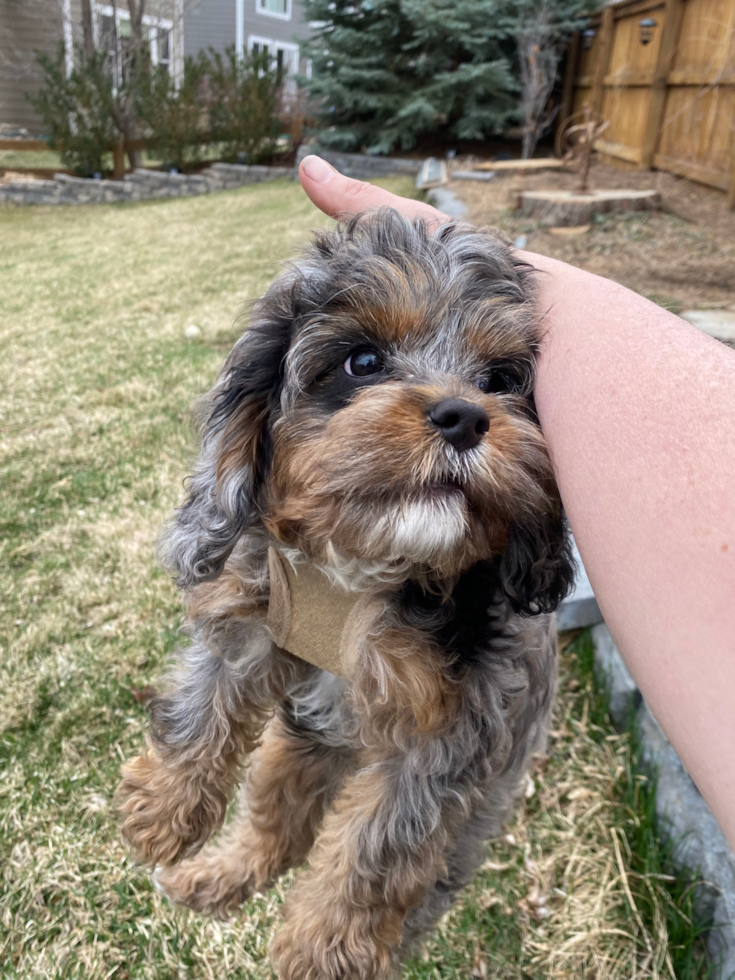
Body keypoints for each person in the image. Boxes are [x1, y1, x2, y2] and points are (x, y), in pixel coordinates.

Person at [298, 154, 735, 851]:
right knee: (298, 736)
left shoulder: (495, 606)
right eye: (367, 364)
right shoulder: (272, 574)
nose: (462, 408)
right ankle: (265, 842)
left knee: (414, 811)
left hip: (460, 644)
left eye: (498, 379)